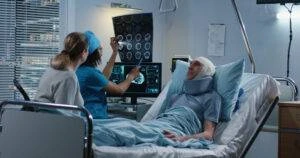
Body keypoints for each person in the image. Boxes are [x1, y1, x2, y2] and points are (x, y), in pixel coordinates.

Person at [92, 57, 222, 148]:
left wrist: (181, 139)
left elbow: (208, 135)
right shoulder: (177, 96)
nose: (190, 66)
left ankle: (88, 137)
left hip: (174, 131)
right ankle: (86, 131)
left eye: (196, 64)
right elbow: (163, 119)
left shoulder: (212, 97)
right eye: (190, 63)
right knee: (119, 123)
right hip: (159, 124)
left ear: (205, 71)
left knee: (127, 131)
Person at [76, 31, 140, 119]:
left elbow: (103, 78)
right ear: (91, 53)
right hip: (96, 120)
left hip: (85, 118)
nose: (102, 48)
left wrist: (114, 52)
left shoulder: (80, 70)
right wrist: (131, 76)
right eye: (99, 48)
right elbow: (119, 90)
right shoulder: (91, 73)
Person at [34, 32, 88, 107]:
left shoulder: (51, 69)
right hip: (52, 118)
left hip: (41, 117)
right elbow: (64, 114)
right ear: (84, 52)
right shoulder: (69, 77)